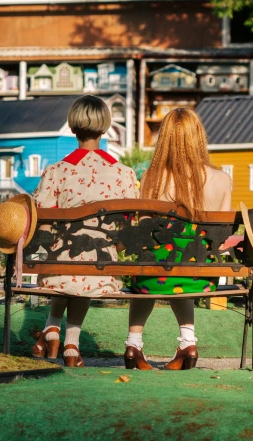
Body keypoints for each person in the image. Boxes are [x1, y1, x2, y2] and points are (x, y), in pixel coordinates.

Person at [31, 95, 139, 367]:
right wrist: (114, 248)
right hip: (101, 269)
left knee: (67, 263)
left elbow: (43, 225)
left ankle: (53, 330)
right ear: (105, 128)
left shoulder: (56, 171)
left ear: (72, 127)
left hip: (58, 266)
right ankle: (70, 344)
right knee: (87, 265)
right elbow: (128, 229)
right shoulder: (124, 174)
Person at [123, 108, 232, 371]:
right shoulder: (221, 179)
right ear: (198, 138)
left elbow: (146, 230)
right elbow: (223, 235)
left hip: (153, 275)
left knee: (158, 259)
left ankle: (133, 344)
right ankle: (187, 342)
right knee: (183, 258)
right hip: (198, 275)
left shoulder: (151, 177)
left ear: (165, 139)